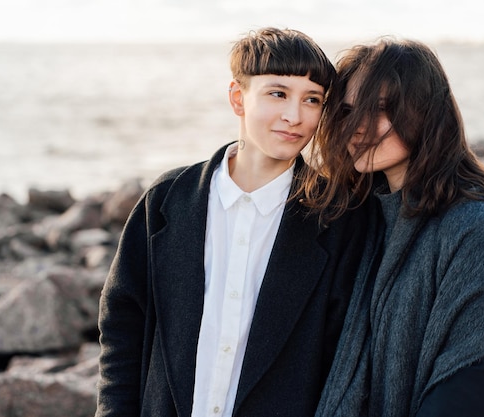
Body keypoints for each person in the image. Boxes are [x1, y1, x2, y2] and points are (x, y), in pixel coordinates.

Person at [95, 27, 379, 417]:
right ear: (237, 98)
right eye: (277, 93)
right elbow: (122, 327)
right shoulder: (166, 201)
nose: (293, 116)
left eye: (311, 100)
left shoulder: (338, 219)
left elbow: (346, 360)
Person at [302, 37, 484, 416]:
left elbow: (466, 396)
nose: (358, 127)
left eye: (380, 108)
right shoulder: (364, 222)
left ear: (425, 112)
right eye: (348, 111)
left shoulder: (479, 232)